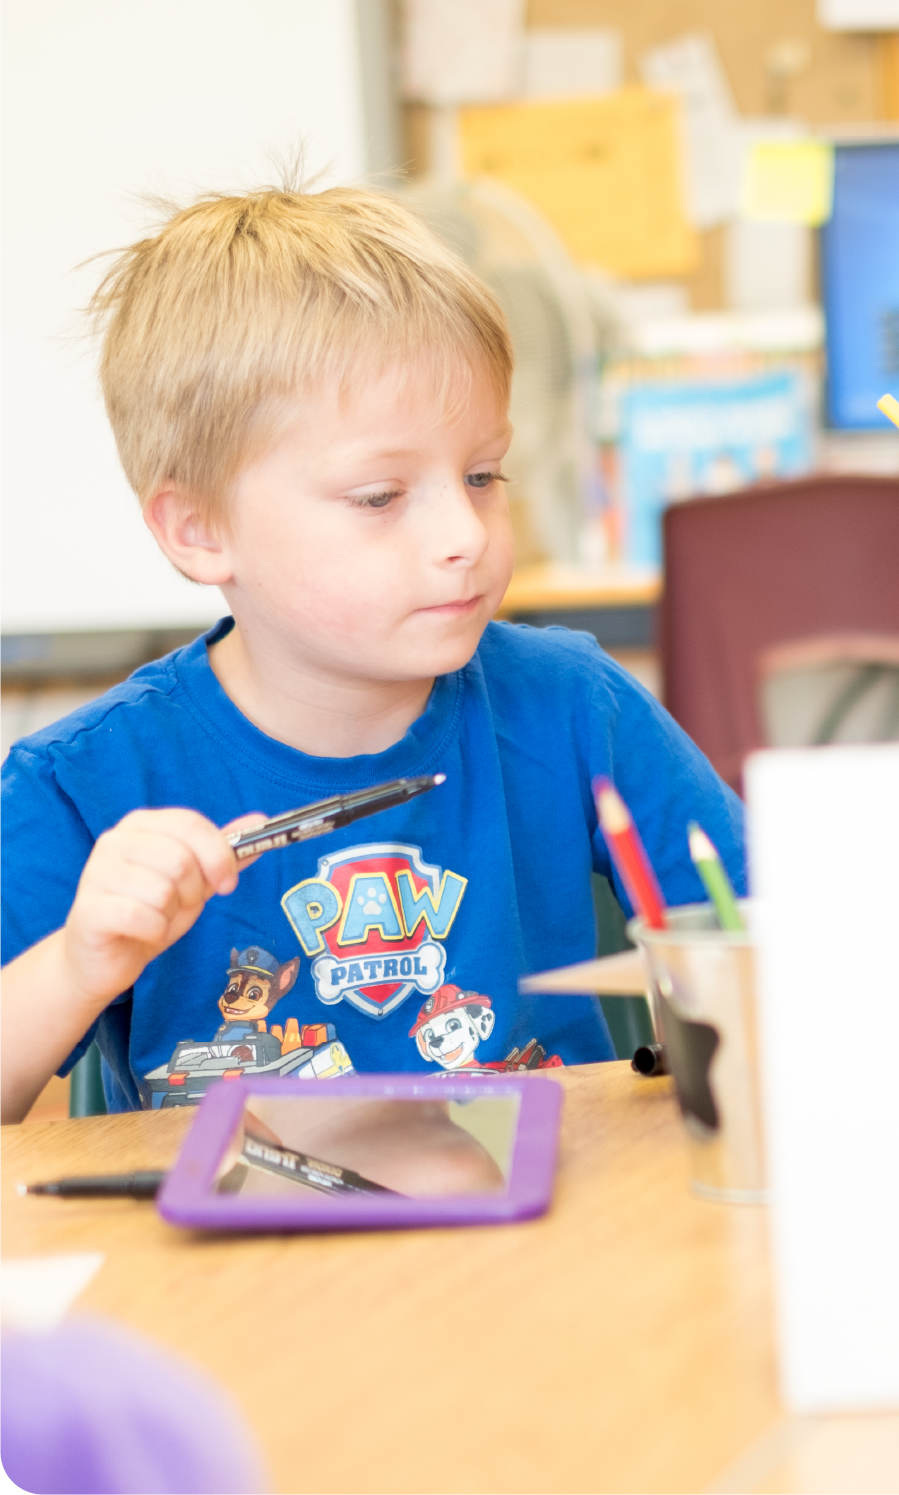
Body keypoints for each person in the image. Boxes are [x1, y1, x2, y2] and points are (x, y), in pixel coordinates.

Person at [0, 185, 743, 1122]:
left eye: (482, 475)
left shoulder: (573, 704)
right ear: (197, 528)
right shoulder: (81, 779)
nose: (464, 533)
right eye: (380, 495)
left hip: (550, 1240)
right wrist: (77, 963)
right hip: (236, 1260)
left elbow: (765, 936)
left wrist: (891, 856)